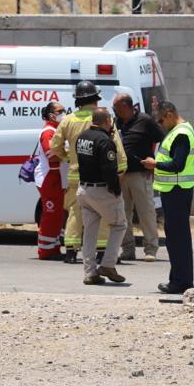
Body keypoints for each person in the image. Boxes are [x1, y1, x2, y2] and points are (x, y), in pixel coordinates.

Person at [49, 81, 126, 264]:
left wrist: (68, 157)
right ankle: (101, 251)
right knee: (103, 214)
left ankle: (70, 250)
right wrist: (121, 168)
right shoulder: (104, 118)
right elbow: (117, 148)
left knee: (75, 214)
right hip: (99, 176)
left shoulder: (68, 120)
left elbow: (54, 146)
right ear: (96, 99)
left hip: (76, 175)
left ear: (78, 101)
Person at [141, 101, 194, 295]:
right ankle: (179, 280)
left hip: (177, 190)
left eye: (161, 120)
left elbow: (177, 165)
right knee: (176, 239)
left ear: (170, 114)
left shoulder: (181, 134)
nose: (160, 124)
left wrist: (154, 164)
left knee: (178, 239)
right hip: (174, 190)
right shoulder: (179, 131)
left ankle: (180, 282)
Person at [75, 109, 128, 285]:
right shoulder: (105, 141)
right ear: (106, 121)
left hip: (84, 190)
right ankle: (108, 264)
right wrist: (116, 189)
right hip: (102, 191)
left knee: (89, 231)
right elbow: (109, 170)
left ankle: (90, 273)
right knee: (119, 225)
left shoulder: (83, 137)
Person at [112, 93, 164, 262]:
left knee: (146, 212)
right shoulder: (117, 121)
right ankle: (127, 249)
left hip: (140, 174)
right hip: (121, 175)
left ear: (126, 106)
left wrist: (155, 163)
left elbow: (162, 139)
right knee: (123, 214)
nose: (115, 111)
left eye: (117, 108)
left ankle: (151, 249)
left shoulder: (146, 120)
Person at [35, 101, 68, 261]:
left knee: (58, 215)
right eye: (60, 111)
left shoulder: (57, 130)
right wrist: (70, 153)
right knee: (51, 214)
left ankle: (53, 247)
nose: (64, 113)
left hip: (57, 179)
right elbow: (52, 154)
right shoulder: (49, 132)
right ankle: (45, 251)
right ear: (51, 115)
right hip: (50, 179)